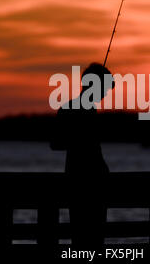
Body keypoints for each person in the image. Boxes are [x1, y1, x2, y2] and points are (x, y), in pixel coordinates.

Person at [50, 63, 115, 248]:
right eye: (105, 89)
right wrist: (81, 137)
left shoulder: (71, 109)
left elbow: (56, 143)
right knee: (89, 239)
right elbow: (56, 144)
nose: (105, 94)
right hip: (85, 184)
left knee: (83, 238)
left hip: (83, 182)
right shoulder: (79, 111)